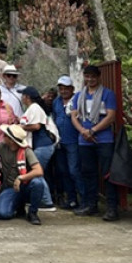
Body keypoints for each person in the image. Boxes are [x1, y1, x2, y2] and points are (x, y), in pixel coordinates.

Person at [71, 65, 119, 221]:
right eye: (87, 76)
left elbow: (110, 116)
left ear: (98, 77)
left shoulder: (107, 94)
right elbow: (74, 116)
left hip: (103, 138)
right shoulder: (79, 96)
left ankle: (112, 208)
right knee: (88, 173)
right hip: (84, 140)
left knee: (107, 173)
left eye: (93, 76)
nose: (90, 79)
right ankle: (91, 205)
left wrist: (93, 131)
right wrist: (83, 131)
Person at [0, 124, 46, 225]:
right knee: (3, 213)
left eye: (6, 135)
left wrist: (21, 177)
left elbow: (38, 170)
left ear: (12, 140)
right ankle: (18, 205)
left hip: (25, 185)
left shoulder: (26, 150)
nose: (3, 136)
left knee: (38, 183)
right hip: (10, 187)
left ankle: (33, 212)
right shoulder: (1, 147)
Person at [19, 87, 57, 211]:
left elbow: (36, 126)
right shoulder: (32, 108)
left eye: (23, 95)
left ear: (27, 97)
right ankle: (45, 200)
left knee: (37, 173)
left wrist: (21, 126)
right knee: (38, 173)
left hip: (42, 146)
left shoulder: (34, 108)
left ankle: (46, 201)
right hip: (40, 146)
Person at [53, 76, 82, 210]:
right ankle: (71, 199)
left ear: (72, 89)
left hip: (73, 141)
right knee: (63, 171)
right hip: (60, 142)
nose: (63, 91)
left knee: (74, 171)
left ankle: (84, 199)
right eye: (61, 88)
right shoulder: (56, 102)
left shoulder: (77, 100)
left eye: (66, 88)